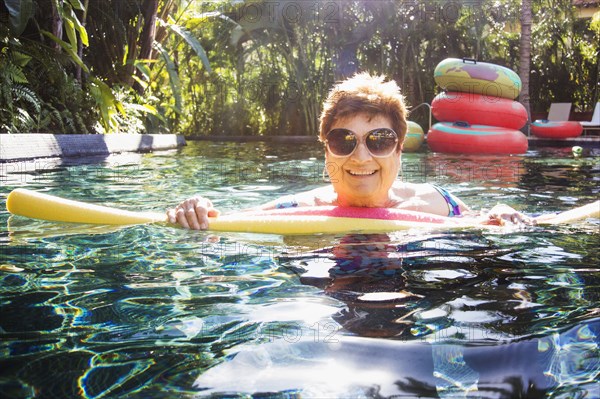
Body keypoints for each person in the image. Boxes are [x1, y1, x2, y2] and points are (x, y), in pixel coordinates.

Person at [167, 73, 533, 230]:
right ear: (326, 151)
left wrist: (502, 215)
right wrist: (194, 210)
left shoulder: (442, 205)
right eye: (344, 140)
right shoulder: (296, 211)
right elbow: (220, 224)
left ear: (399, 151)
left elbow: (485, 227)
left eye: (379, 140)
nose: (361, 157)